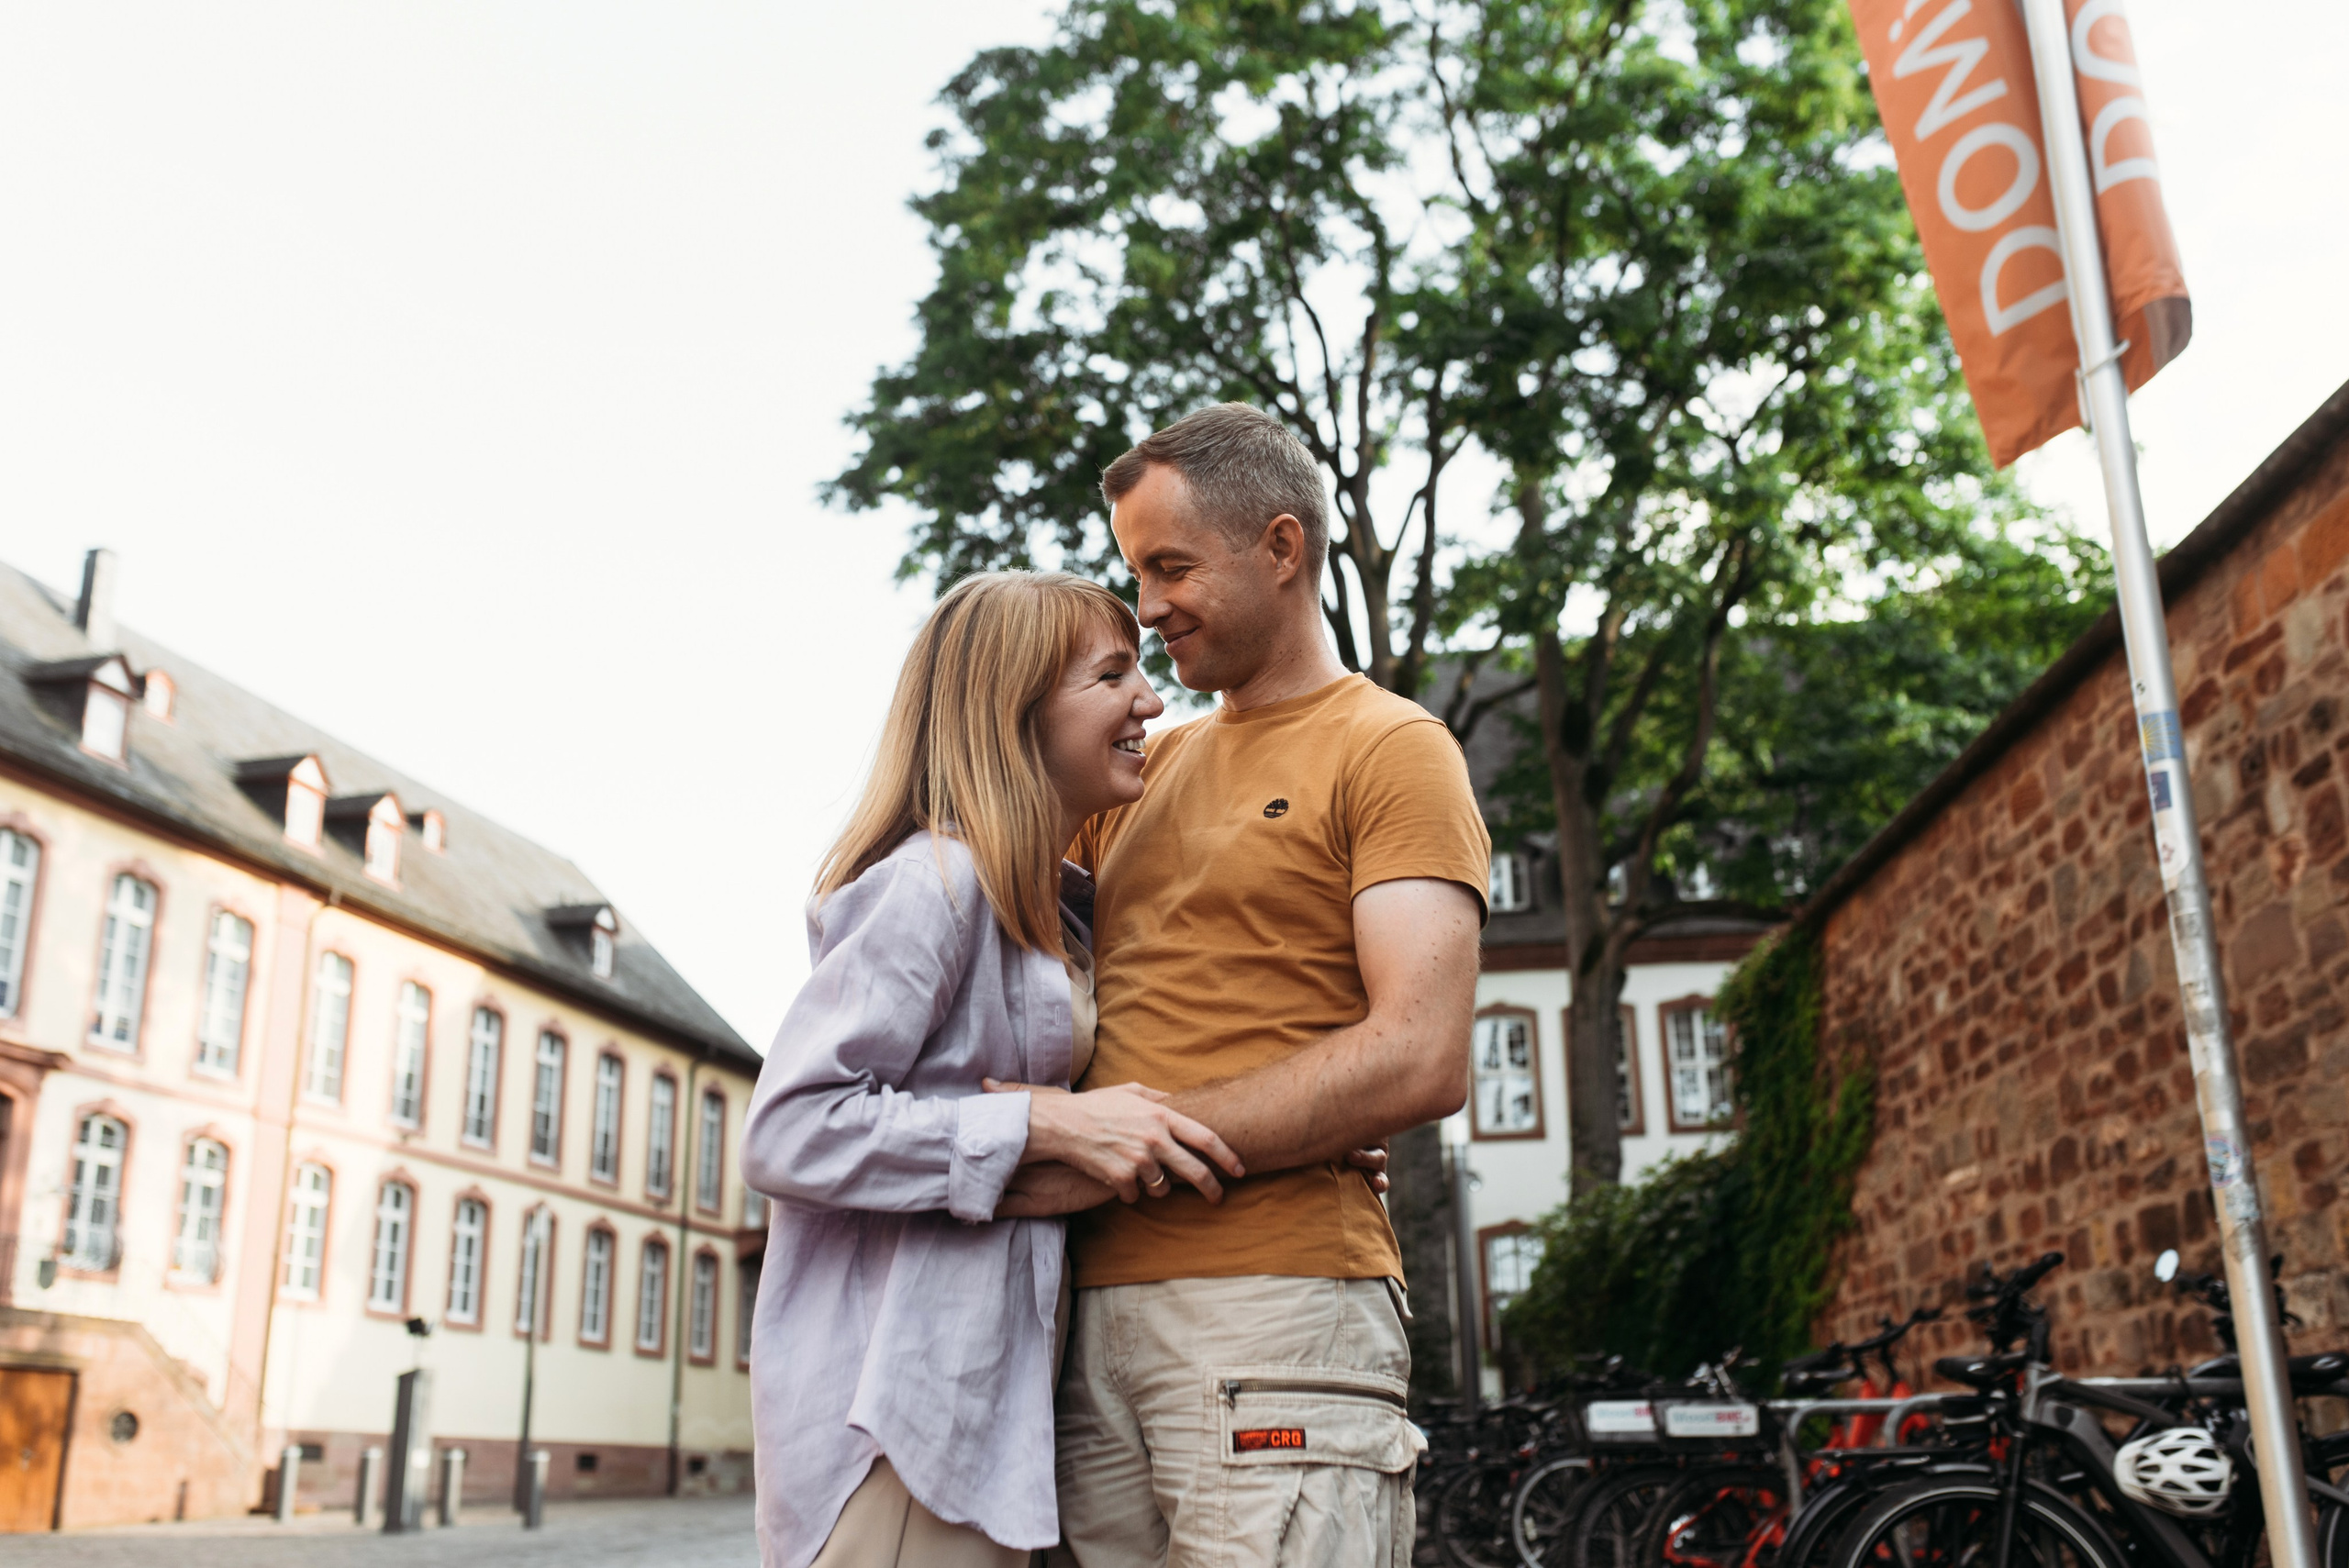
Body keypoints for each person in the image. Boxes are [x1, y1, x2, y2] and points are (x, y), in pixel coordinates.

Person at [1019, 403, 1491, 1567]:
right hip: (1078, 1322)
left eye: (1170, 565)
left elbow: (1419, 1053)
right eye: (1136, 570)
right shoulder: (1139, 768)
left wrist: (1121, 1144)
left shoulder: (1391, 746)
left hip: (1279, 1307)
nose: (1147, 605)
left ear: (1280, 549)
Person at [740, 571, 1247, 1568]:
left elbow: (1127, 1104)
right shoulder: (936, 881)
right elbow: (788, 1127)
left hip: (985, 1419)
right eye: (1112, 675)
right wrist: (1046, 1123)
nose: (1150, 700)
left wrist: (1298, 1143)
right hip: (893, 1422)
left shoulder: (1056, 913)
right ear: (1015, 713)